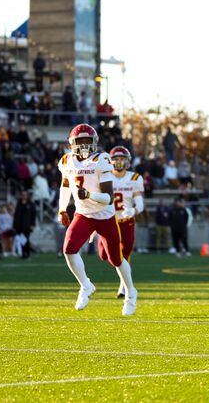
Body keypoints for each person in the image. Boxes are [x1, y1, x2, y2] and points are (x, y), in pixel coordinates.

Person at [58, 124, 137, 315]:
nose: (84, 145)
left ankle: (130, 293)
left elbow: (108, 198)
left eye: (88, 141)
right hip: (83, 214)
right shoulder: (67, 160)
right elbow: (65, 185)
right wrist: (62, 209)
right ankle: (85, 285)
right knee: (69, 249)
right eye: (80, 141)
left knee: (116, 259)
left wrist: (89, 195)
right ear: (72, 143)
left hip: (105, 215)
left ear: (94, 143)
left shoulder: (101, 159)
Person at [100, 146, 145, 298]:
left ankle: (123, 287)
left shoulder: (134, 178)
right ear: (110, 161)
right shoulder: (104, 176)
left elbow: (140, 203)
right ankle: (124, 284)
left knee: (124, 255)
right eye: (116, 159)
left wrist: (134, 210)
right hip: (108, 220)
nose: (119, 162)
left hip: (126, 220)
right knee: (104, 255)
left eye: (122, 159)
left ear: (128, 161)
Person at [13, 191, 37, 259]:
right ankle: (24, 253)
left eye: (25, 195)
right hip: (19, 225)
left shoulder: (31, 204)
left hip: (27, 225)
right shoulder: (19, 203)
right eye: (22, 195)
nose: (24, 196)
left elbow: (33, 215)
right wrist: (14, 225)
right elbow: (16, 215)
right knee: (22, 240)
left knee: (25, 239)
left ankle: (27, 253)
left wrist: (33, 224)